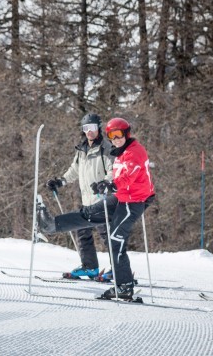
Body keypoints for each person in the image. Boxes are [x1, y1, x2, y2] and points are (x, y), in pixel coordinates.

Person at [37, 117, 155, 300]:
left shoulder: (132, 152)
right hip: (118, 196)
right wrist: (105, 185)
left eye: (119, 134)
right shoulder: (115, 151)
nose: (116, 138)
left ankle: (123, 285)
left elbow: (128, 176)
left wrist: (110, 185)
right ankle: (51, 225)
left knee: (115, 238)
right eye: (112, 135)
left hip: (134, 200)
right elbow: (76, 170)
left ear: (127, 134)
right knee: (88, 215)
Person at [45, 113, 113, 280]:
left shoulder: (106, 148)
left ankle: (118, 269)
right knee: (82, 232)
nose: (89, 132)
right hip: (87, 200)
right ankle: (90, 267)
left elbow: (114, 170)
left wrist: (105, 182)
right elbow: (74, 170)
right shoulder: (82, 149)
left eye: (92, 128)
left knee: (108, 236)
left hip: (103, 200)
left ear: (99, 128)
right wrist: (61, 181)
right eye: (86, 128)